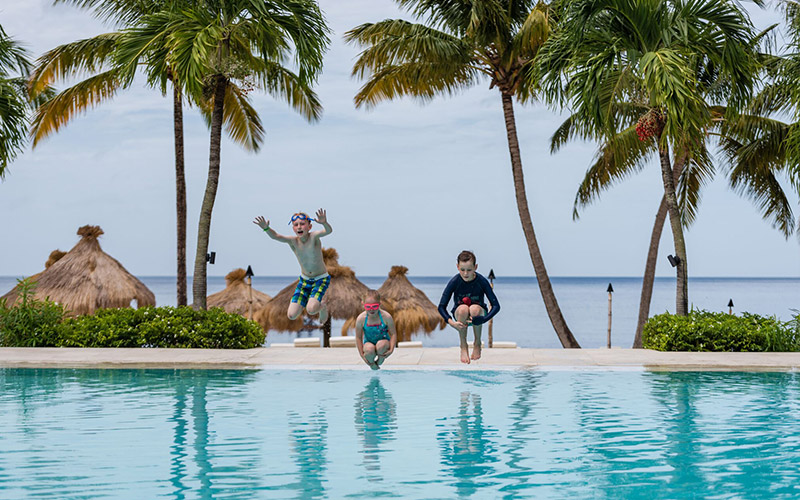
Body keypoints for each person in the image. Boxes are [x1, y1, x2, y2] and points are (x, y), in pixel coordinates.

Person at [253, 209, 332, 323]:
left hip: (320, 279)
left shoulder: (314, 237)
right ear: (293, 228)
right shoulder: (293, 241)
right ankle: (311, 303)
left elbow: (328, 231)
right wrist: (266, 228)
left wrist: (324, 222)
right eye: (296, 225)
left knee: (311, 309)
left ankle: (322, 306)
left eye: (302, 224)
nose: (299, 227)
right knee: (291, 315)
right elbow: (276, 236)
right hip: (304, 281)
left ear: (309, 227)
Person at [438, 250, 500, 364]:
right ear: (457, 267)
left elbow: (496, 305)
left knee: (474, 309)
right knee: (463, 309)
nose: (465, 274)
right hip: (461, 317)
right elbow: (441, 307)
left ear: (475, 267)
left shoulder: (481, 281)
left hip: (478, 316)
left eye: (469, 270)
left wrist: (484, 319)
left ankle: (477, 343)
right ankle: (463, 345)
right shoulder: (455, 281)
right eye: (462, 270)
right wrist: (452, 323)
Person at [355, 290, 397, 370]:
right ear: (363, 304)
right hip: (368, 343)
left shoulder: (386, 317)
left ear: (379, 304)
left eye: (374, 306)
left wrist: (391, 350)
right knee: (369, 349)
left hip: (383, 343)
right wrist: (362, 355)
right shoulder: (361, 319)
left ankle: (380, 361)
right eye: (368, 307)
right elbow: (358, 338)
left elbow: (393, 334)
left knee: (380, 345)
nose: (371, 309)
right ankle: (373, 365)